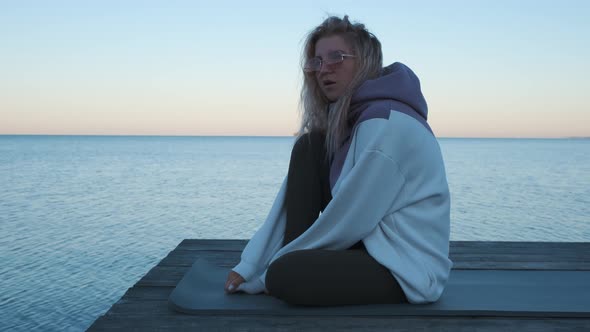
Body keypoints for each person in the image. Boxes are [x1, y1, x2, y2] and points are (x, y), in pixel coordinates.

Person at [224, 15, 453, 306]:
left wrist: (274, 269)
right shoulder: (355, 121)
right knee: (309, 146)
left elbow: (350, 217)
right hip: (369, 244)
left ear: (365, 63)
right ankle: (288, 258)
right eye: (317, 62)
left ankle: (287, 263)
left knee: (285, 275)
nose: (324, 70)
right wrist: (252, 263)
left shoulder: (384, 123)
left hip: (406, 268)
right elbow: (288, 202)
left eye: (337, 57)